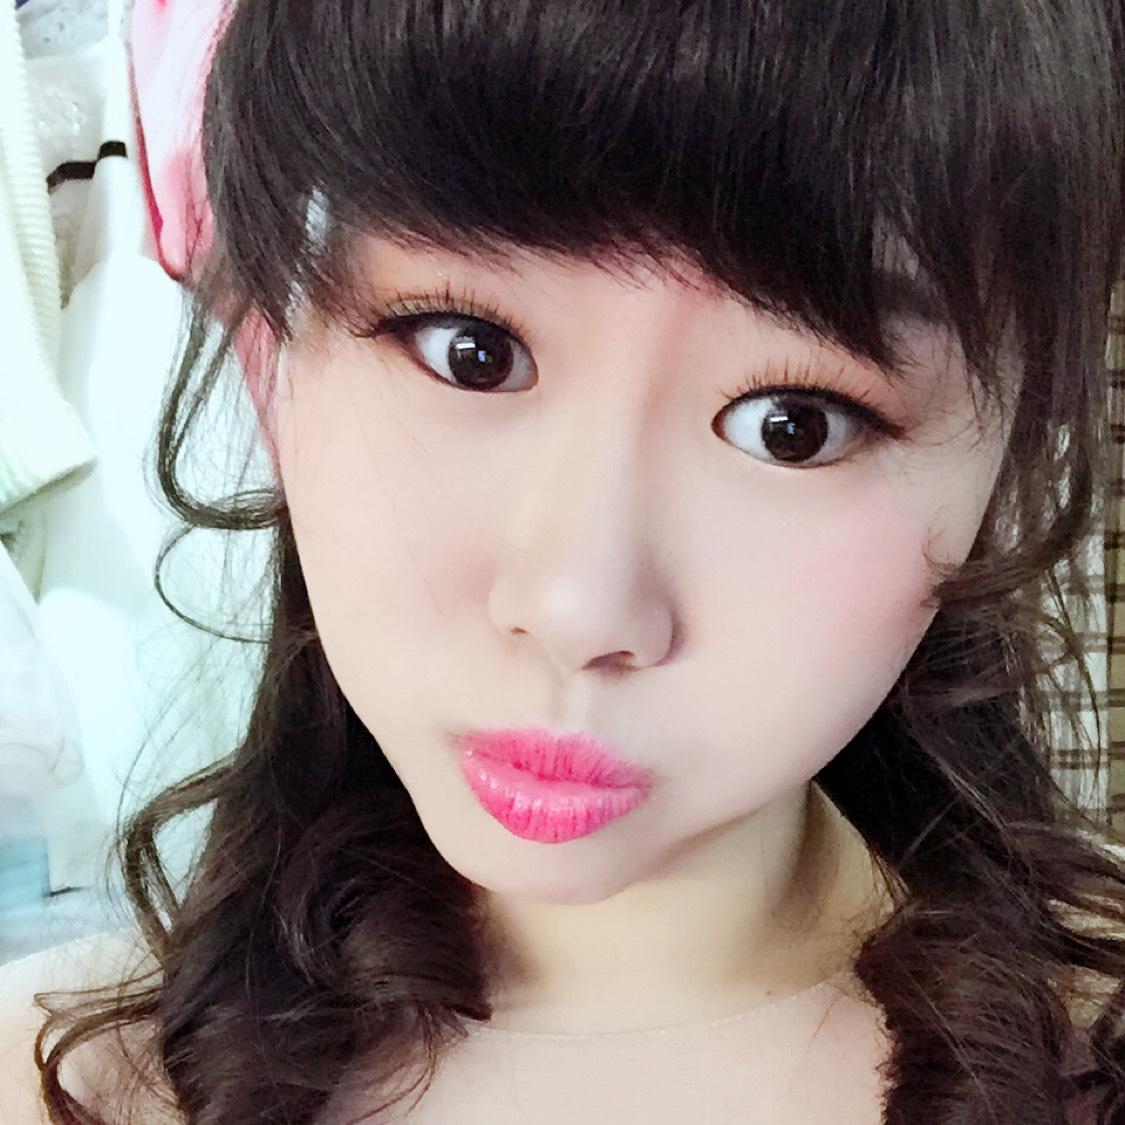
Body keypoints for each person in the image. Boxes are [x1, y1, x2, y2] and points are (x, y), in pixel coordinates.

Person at [3, 0, 1125, 1121]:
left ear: (1003, 478)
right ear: (274, 357)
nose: (577, 605)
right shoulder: (57, 1078)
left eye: (795, 426)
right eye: (471, 353)